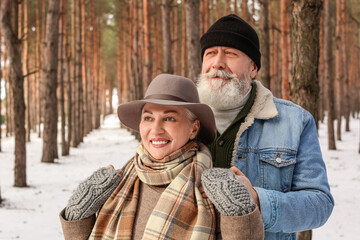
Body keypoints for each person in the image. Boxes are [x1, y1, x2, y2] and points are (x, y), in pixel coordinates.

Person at [59, 74, 264, 239]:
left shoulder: (212, 190)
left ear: (194, 128)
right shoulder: (118, 184)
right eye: (148, 118)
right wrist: (78, 215)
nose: (155, 130)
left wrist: (239, 213)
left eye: (169, 118)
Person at [196, 14, 334, 240]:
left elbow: (320, 204)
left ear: (252, 68)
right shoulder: (178, 119)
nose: (218, 62)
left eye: (231, 53)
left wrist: (259, 200)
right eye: (210, 53)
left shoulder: (294, 122)